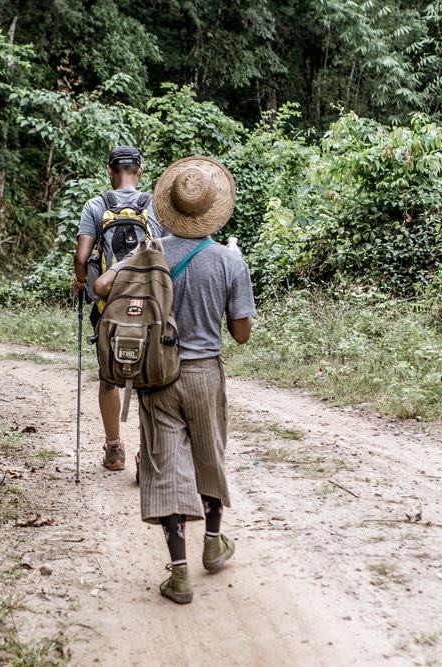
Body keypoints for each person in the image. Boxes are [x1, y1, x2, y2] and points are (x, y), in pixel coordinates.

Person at [93, 156, 254, 604]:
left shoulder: (150, 252)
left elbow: (102, 287)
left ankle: (179, 572)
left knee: (165, 467)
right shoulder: (227, 260)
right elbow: (240, 335)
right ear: (213, 210)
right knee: (209, 457)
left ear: (168, 207)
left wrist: (139, 268)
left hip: (159, 376)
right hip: (205, 374)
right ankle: (214, 543)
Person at [71, 146, 165, 473]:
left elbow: (82, 258)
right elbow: (167, 255)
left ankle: (114, 449)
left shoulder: (96, 206)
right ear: (139, 170)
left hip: (108, 304)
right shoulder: (155, 205)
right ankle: (146, 453)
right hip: (150, 304)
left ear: (110, 170)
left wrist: (82, 281)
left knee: (109, 374)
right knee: (151, 376)